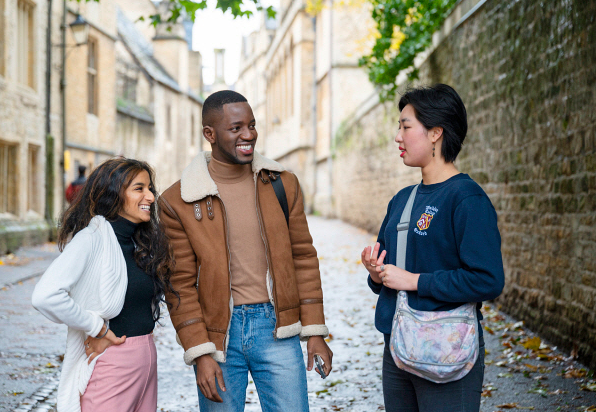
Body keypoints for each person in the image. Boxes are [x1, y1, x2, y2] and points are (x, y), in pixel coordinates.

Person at [158, 90, 333, 412]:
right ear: (209, 134)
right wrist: (200, 351)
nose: (248, 135)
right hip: (219, 336)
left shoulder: (282, 183)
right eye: (236, 128)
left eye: (251, 125)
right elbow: (179, 283)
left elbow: (303, 258)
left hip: (277, 328)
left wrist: (315, 332)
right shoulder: (177, 201)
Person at [361, 84, 504, 412]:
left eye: (406, 126)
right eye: (399, 127)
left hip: (448, 351)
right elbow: (388, 277)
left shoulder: (466, 199)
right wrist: (377, 272)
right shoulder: (402, 200)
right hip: (396, 349)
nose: (398, 136)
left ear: (436, 132)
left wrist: (414, 281)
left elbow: (486, 280)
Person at [32, 158, 176, 412]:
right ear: (114, 194)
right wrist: (96, 328)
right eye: (139, 188)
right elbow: (46, 296)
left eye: (150, 188)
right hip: (113, 364)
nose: (151, 197)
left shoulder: (140, 243)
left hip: (146, 361)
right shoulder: (91, 239)